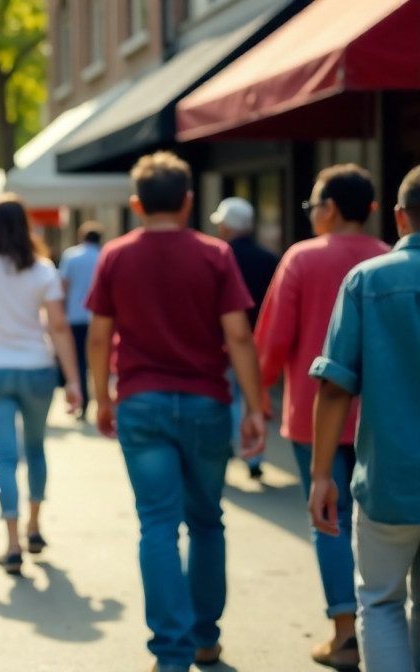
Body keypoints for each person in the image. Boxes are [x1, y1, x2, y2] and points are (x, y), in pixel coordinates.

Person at [86, 152, 266, 672]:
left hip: (141, 402)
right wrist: (255, 406)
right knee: (207, 522)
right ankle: (206, 637)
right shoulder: (215, 254)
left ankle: (171, 653)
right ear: (189, 201)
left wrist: (103, 396)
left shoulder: (116, 256)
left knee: (158, 525)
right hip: (208, 403)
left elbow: (99, 336)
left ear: (137, 203)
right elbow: (237, 334)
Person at [256, 164, 389, 671]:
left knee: (326, 518)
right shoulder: (385, 258)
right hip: (381, 414)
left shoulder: (301, 258)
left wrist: (258, 396)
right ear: (374, 212)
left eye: (313, 205)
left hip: (314, 416)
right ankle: (384, 623)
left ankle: (344, 632)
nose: (312, 214)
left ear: (330, 209)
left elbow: (274, 339)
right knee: (375, 520)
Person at [310, 165, 420, 672]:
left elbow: (334, 387)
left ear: (399, 217)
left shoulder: (368, 280)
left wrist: (320, 476)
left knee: (379, 601)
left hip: (389, 478)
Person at [0, 195, 82, 575]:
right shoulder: (42, 270)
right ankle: (35, 526)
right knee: (36, 450)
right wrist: (73, 379)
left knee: (5, 455)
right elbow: (57, 326)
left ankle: (11, 542)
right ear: (26, 228)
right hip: (37, 368)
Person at [212, 197, 279, 480]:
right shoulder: (269, 258)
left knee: (228, 397)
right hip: (259, 340)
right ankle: (255, 456)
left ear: (226, 226)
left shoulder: (217, 257)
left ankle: (227, 445)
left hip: (223, 340)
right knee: (254, 398)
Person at [57, 221, 103, 421]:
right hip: (100, 318)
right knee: (99, 359)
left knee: (80, 363)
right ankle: (101, 399)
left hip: (75, 316)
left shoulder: (71, 256)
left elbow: (63, 287)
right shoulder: (103, 256)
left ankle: (83, 403)